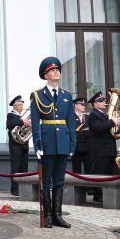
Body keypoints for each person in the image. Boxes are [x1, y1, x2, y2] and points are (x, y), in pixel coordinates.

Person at [30, 57, 75, 229]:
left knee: (59, 181)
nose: (56, 72)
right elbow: (35, 123)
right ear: (45, 75)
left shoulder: (66, 96)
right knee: (46, 181)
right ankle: (48, 215)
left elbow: (71, 122)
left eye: (58, 70)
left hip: (63, 142)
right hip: (47, 142)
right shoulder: (38, 95)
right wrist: (38, 145)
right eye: (52, 70)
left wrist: (72, 144)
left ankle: (58, 215)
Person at [87, 91, 120, 203]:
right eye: (101, 101)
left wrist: (116, 125)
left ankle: (108, 194)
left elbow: (109, 129)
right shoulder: (93, 115)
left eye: (104, 100)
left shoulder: (105, 115)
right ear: (95, 103)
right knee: (100, 172)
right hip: (100, 149)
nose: (104, 102)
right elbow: (98, 128)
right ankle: (98, 195)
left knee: (109, 172)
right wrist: (112, 122)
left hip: (109, 148)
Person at [6, 95, 30, 196]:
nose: (21, 107)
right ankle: (14, 189)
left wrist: (29, 123)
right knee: (16, 167)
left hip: (24, 145)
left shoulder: (21, 116)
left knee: (24, 167)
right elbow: (10, 125)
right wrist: (22, 121)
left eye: (22, 105)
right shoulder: (11, 115)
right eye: (19, 105)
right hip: (15, 146)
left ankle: (23, 188)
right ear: (14, 106)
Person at [71, 98, 92, 176]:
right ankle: (78, 188)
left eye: (84, 104)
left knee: (89, 169)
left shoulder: (87, 117)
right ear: (75, 105)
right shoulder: (70, 116)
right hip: (76, 146)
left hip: (87, 146)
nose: (84, 106)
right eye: (81, 104)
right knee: (76, 170)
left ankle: (89, 187)